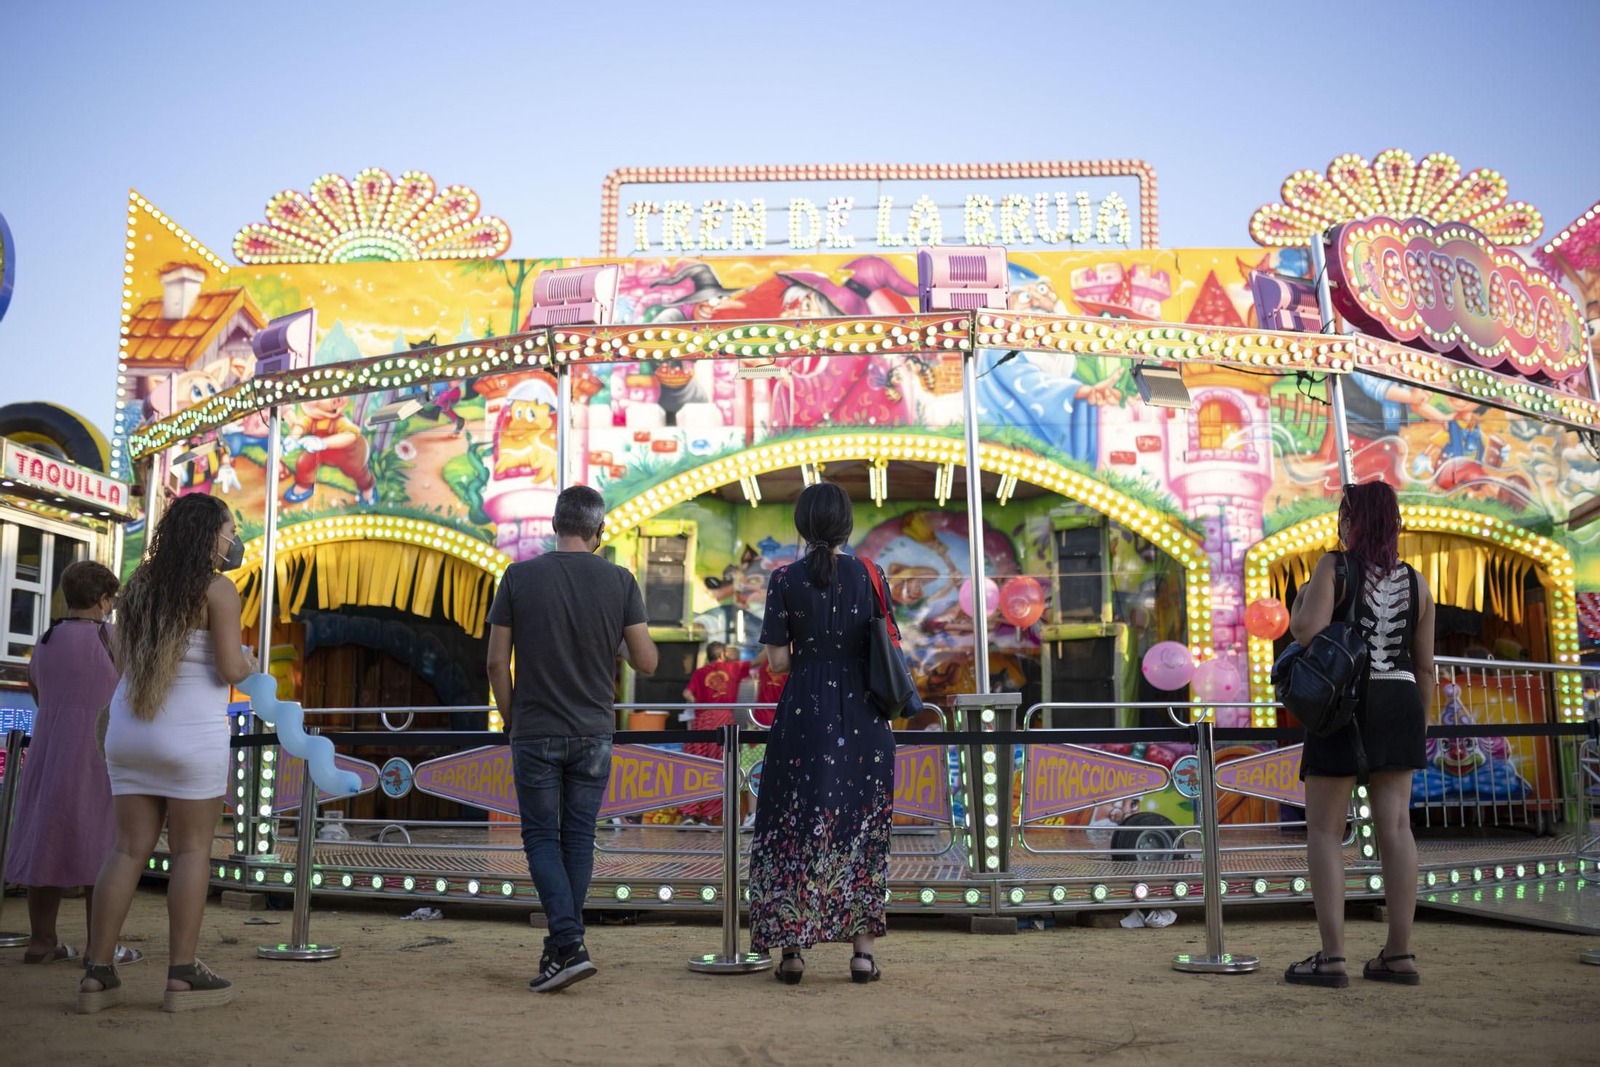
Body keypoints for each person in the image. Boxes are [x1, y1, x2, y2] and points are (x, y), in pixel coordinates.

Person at [78, 493, 256, 1014]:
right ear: (209, 535)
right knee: (191, 851)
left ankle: (97, 974)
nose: (233, 540)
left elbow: (122, 661)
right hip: (190, 734)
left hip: (131, 730)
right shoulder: (217, 588)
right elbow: (229, 669)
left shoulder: (137, 586)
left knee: (126, 851)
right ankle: (182, 975)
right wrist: (249, 662)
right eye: (230, 530)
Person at [487, 485, 658, 993]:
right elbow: (647, 661)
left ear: (555, 525)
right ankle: (562, 948)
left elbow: (495, 663)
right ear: (598, 532)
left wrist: (512, 720)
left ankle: (567, 942)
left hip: (535, 731)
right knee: (578, 837)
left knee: (541, 837)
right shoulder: (620, 581)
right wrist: (608, 632)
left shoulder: (518, 577)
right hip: (594, 732)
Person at [1285, 480, 1434, 988]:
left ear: (1351, 521)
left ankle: (1332, 958)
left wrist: (1301, 600)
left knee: (1326, 831)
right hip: (1401, 700)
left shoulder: (1335, 566)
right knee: (1396, 828)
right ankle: (1398, 953)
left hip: (1344, 701)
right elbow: (1425, 665)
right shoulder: (1418, 582)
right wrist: (1419, 724)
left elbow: (1306, 630)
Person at [747, 481, 895, 985]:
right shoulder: (871, 574)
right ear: (847, 526)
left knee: (793, 823)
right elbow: (887, 645)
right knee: (860, 827)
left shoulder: (783, 579)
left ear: (802, 525)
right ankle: (862, 955)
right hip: (864, 716)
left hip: (803, 716)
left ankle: (791, 953)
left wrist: (813, 659)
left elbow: (777, 661)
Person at [8, 562, 141, 969]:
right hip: (99, 751)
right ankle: (99, 948)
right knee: (104, 846)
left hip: (48, 753)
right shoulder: (112, 638)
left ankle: (41, 941)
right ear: (102, 600)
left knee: (45, 841)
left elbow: (38, 692)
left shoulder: (46, 640)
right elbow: (134, 691)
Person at [680, 642, 758, 824]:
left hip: (702, 719)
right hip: (723, 720)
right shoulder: (733, 667)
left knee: (695, 765)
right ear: (723, 654)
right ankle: (709, 816)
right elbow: (757, 662)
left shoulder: (700, 672)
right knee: (718, 767)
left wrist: (699, 703)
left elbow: (687, 693)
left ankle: (688, 813)